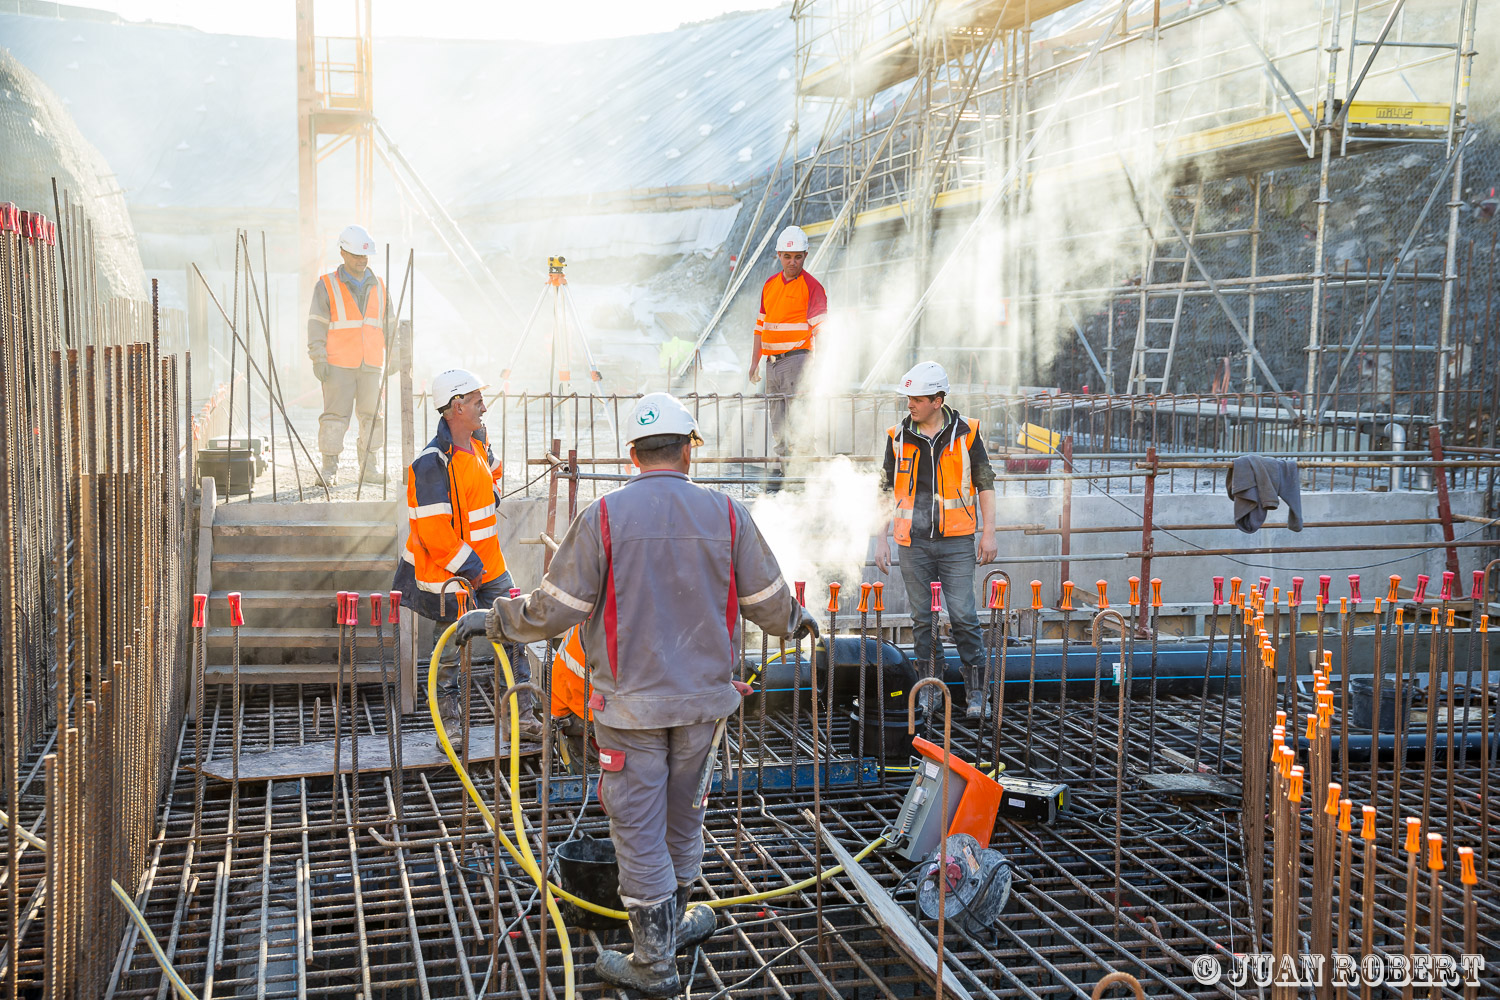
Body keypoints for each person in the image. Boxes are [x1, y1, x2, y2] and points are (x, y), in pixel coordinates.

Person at [453, 392, 816, 996]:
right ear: (688, 451)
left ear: (632, 454)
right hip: (703, 708)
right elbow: (768, 603)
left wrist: (493, 620)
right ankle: (669, 930)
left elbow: (554, 610)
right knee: (684, 819)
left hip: (629, 710)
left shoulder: (604, 516)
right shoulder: (728, 515)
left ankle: (654, 962)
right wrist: (798, 621)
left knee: (639, 828)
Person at [394, 368, 542, 750]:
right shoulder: (429, 465)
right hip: (452, 574)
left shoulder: (477, 445)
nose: (484, 408)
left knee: (514, 639)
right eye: (477, 402)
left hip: (491, 567)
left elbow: (490, 483)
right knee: (450, 651)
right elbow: (435, 534)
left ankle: (521, 718)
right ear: (455, 407)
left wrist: (489, 477)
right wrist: (471, 570)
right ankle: (452, 728)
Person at [873, 361, 998, 718]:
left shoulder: (967, 432)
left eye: (916, 398)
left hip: (957, 540)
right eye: (908, 398)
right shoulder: (897, 436)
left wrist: (989, 532)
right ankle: (930, 690)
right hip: (913, 542)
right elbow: (884, 490)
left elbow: (984, 482)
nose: (909, 404)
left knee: (963, 616)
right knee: (923, 620)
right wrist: (880, 539)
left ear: (937, 400)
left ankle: (977, 693)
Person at [308, 224, 388, 486]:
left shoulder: (380, 285)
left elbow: (391, 324)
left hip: (371, 363)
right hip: (338, 364)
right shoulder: (327, 285)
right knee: (334, 417)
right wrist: (318, 357)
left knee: (372, 416)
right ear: (343, 253)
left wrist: (396, 355)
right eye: (356, 256)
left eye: (365, 256)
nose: (362, 261)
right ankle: (329, 469)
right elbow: (316, 323)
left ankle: (370, 468)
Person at [747, 225, 826, 473]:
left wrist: (819, 367)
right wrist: (754, 362)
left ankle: (802, 476)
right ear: (779, 255)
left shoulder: (812, 287)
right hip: (772, 363)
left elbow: (821, 331)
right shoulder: (770, 285)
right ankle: (784, 473)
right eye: (788, 256)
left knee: (799, 419)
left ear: (805, 255)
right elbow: (760, 328)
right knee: (778, 422)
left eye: (798, 256)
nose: (792, 262)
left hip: (798, 361)